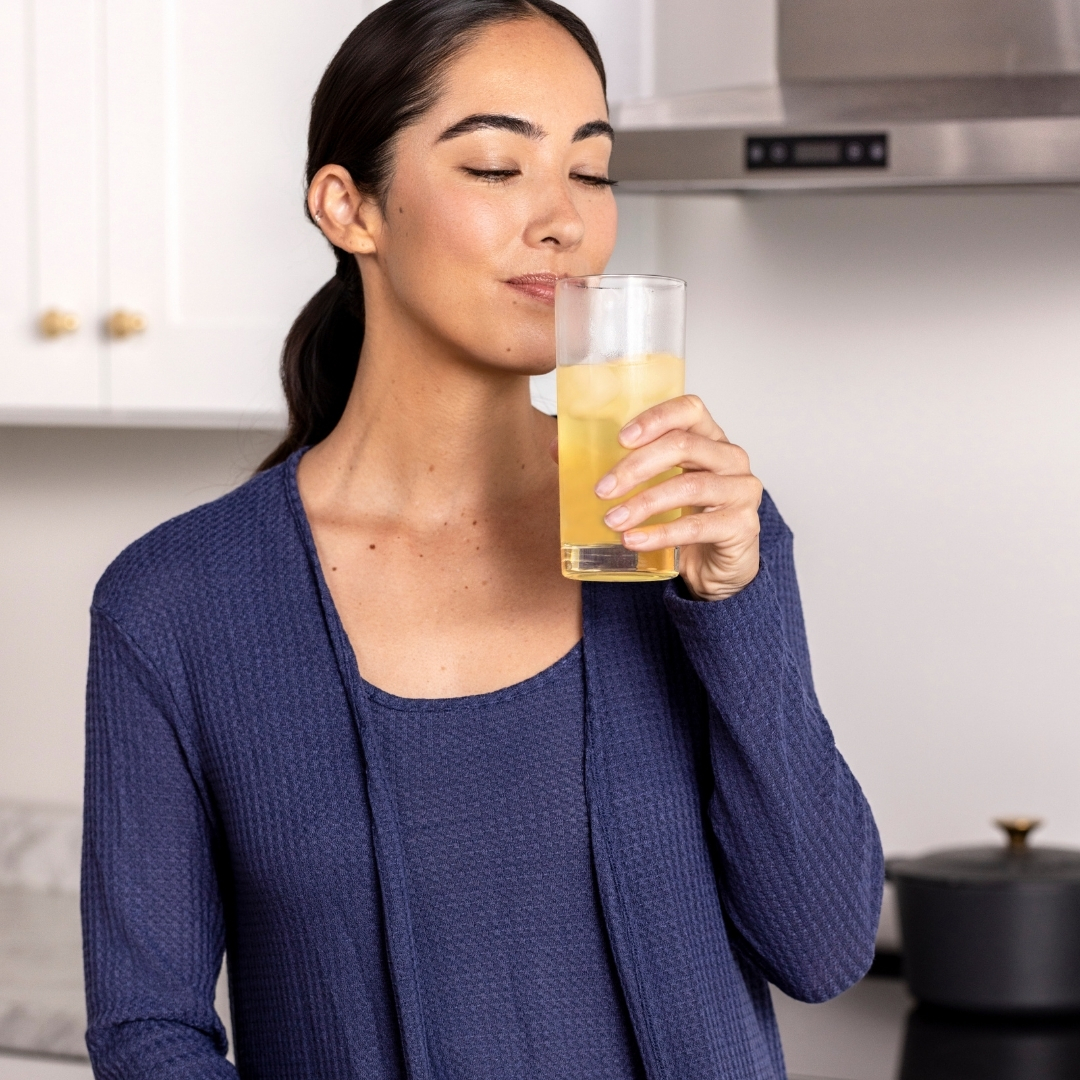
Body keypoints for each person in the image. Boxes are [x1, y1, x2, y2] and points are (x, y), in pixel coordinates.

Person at [81, 2, 883, 1078]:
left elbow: (824, 948)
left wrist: (736, 610)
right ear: (348, 206)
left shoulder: (685, 535)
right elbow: (150, 1033)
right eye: (499, 168)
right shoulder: (175, 607)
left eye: (592, 174)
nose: (564, 221)